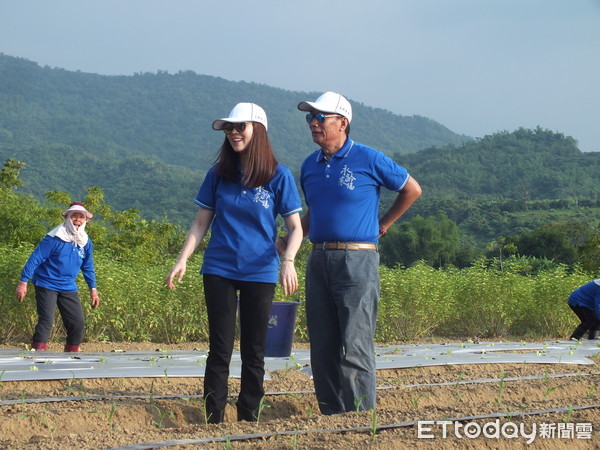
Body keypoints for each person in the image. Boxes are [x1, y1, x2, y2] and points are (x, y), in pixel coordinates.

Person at [278, 91, 422, 415]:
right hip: (319, 259)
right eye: (310, 118)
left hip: (357, 260)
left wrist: (382, 225)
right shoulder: (309, 166)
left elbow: (412, 189)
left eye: (320, 117)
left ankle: (359, 423)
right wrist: (288, 238)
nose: (313, 123)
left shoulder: (369, 158)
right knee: (323, 346)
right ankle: (331, 420)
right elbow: (315, 213)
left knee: (355, 345)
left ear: (342, 123)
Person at [166, 102, 303, 424]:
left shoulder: (277, 175)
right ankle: (212, 418)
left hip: (260, 270)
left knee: (254, 350)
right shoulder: (218, 174)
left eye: (240, 127)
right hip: (219, 269)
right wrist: (182, 259)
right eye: (229, 128)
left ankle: (248, 418)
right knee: (220, 348)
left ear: (258, 130)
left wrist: (289, 261)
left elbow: (295, 227)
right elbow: (201, 223)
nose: (233, 133)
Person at [15, 202, 100, 352]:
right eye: (74, 215)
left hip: (68, 286)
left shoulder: (85, 241)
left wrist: (93, 289)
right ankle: (37, 353)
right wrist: (23, 282)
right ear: (67, 217)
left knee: (77, 322)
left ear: (86, 220)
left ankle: (71, 354)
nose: (77, 219)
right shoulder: (54, 238)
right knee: (47, 320)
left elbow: (88, 266)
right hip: (46, 283)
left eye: (81, 216)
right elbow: (35, 258)